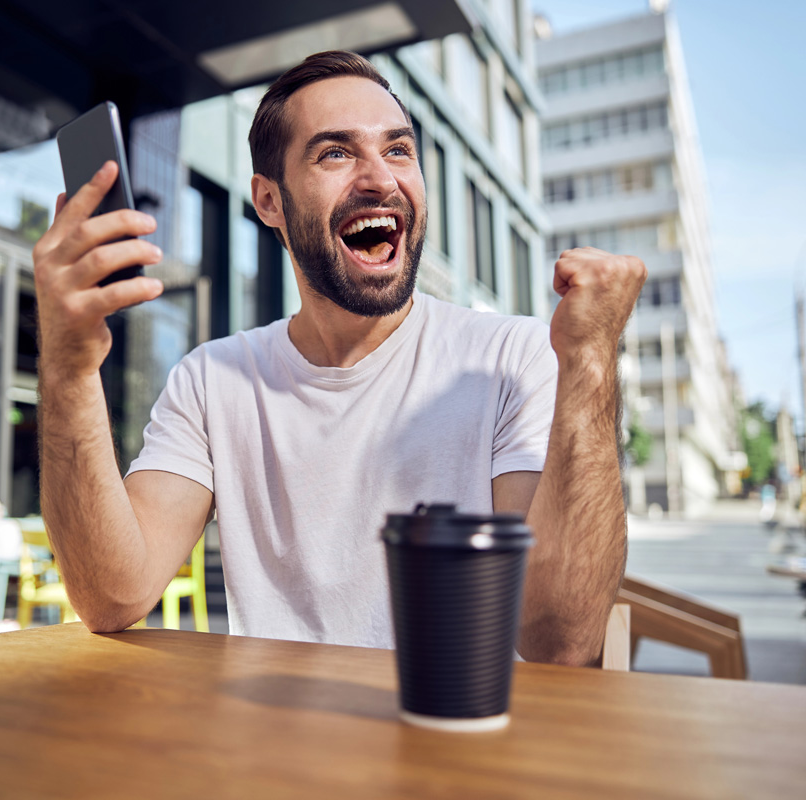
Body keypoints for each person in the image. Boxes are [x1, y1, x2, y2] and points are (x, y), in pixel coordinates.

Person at [32, 51, 646, 665]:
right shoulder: (211, 381)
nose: (381, 179)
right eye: (336, 153)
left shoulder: (511, 358)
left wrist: (590, 362)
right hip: (281, 747)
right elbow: (111, 595)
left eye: (398, 150)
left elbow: (559, 643)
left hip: (462, 741)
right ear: (269, 202)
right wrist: (68, 370)